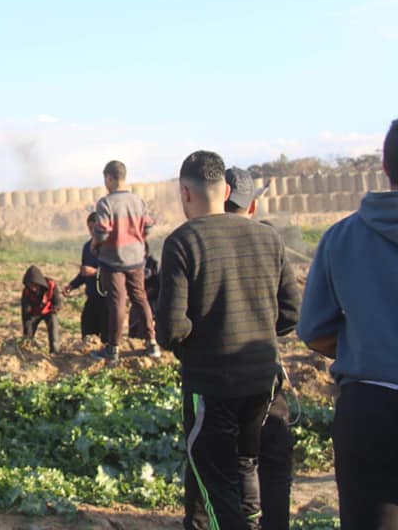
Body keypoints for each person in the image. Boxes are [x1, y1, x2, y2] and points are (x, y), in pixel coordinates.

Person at [156, 151, 299, 530]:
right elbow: (290, 315)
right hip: (265, 386)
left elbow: (170, 330)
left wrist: (199, 342)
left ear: (185, 193)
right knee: (258, 473)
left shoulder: (183, 242)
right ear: (227, 189)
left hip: (211, 387)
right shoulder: (269, 238)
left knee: (216, 489)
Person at [297, 119, 398, 530]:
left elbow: (313, 329)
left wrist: (365, 341)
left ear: (385, 168)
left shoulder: (341, 236)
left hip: (368, 408)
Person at [90, 160, 160, 362]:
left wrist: (95, 244)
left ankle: (113, 348)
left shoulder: (106, 203)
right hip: (136, 259)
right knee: (140, 297)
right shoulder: (137, 201)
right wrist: (137, 242)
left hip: (113, 261)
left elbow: (102, 232)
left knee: (117, 302)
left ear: (109, 178)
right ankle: (152, 343)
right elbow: (148, 228)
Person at [65, 212, 107, 341]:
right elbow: (84, 273)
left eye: (94, 228)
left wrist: (95, 272)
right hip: (92, 297)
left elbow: (116, 272)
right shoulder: (86, 247)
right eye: (90, 228)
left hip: (108, 298)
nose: (92, 231)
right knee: (87, 331)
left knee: (107, 336)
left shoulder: (110, 246)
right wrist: (72, 285)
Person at [21, 265, 62, 354]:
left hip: (49, 310)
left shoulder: (51, 284)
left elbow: (57, 301)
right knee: (28, 331)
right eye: (30, 285)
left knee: (53, 327)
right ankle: (26, 350)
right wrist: (27, 327)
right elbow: (25, 312)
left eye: (34, 285)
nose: (32, 288)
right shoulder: (26, 292)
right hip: (34, 313)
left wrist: (55, 308)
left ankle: (55, 351)